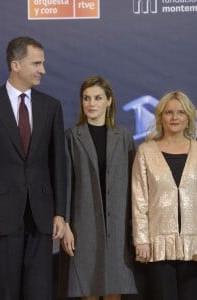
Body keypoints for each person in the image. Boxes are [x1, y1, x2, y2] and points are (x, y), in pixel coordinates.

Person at [0, 36, 66, 300]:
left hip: (41, 217)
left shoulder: (51, 106)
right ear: (16, 64)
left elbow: (58, 164)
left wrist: (59, 213)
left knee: (40, 291)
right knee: (4, 292)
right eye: (37, 63)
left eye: (43, 63)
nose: (43, 70)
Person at [58, 76, 137, 300]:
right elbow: (65, 184)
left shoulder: (124, 138)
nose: (91, 103)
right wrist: (65, 224)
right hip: (83, 227)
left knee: (114, 289)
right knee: (88, 288)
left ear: (109, 101)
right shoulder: (71, 137)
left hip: (118, 227)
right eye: (86, 98)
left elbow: (136, 187)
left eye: (98, 98)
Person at [132, 91, 197, 300]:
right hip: (157, 244)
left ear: (189, 117)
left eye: (180, 112)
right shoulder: (146, 151)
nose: (175, 117)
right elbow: (139, 198)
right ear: (160, 117)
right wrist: (141, 239)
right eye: (169, 112)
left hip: (194, 246)